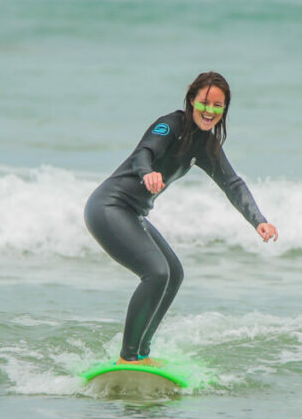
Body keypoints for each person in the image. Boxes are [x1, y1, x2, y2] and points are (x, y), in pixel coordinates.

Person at [84, 71, 278, 365]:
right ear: (191, 100)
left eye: (217, 106)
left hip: (133, 213)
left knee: (174, 274)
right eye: (204, 102)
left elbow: (232, 183)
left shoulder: (206, 145)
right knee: (156, 272)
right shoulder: (170, 125)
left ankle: (142, 354)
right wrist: (146, 172)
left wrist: (258, 220)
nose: (209, 111)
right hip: (109, 207)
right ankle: (127, 358)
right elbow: (143, 154)